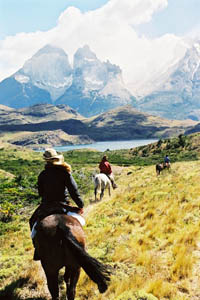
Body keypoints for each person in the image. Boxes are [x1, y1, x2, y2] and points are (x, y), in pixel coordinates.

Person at [30, 148, 84, 259]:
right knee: (80, 222)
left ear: (46, 160)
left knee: (32, 221)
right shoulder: (65, 172)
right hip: (63, 205)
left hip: (47, 206)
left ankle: (37, 249)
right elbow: (74, 191)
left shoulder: (42, 175)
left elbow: (41, 193)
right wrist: (80, 205)